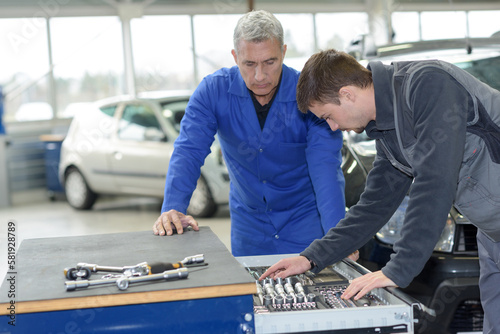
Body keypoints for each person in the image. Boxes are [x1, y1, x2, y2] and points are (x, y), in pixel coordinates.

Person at [260, 49, 500, 333]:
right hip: (491, 235)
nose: (334, 127)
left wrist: (397, 269)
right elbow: (374, 204)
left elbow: (435, 181)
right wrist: (312, 257)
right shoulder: (387, 130)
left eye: (328, 116)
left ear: (347, 94)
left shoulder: (429, 85)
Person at [152, 11, 346, 257]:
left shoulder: (310, 96)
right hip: (249, 228)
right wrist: (173, 208)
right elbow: (189, 150)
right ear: (235, 56)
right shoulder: (213, 92)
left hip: (305, 222)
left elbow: (326, 169)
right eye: (249, 64)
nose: (260, 76)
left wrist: (338, 236)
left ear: (284, 52)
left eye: (270, 62)